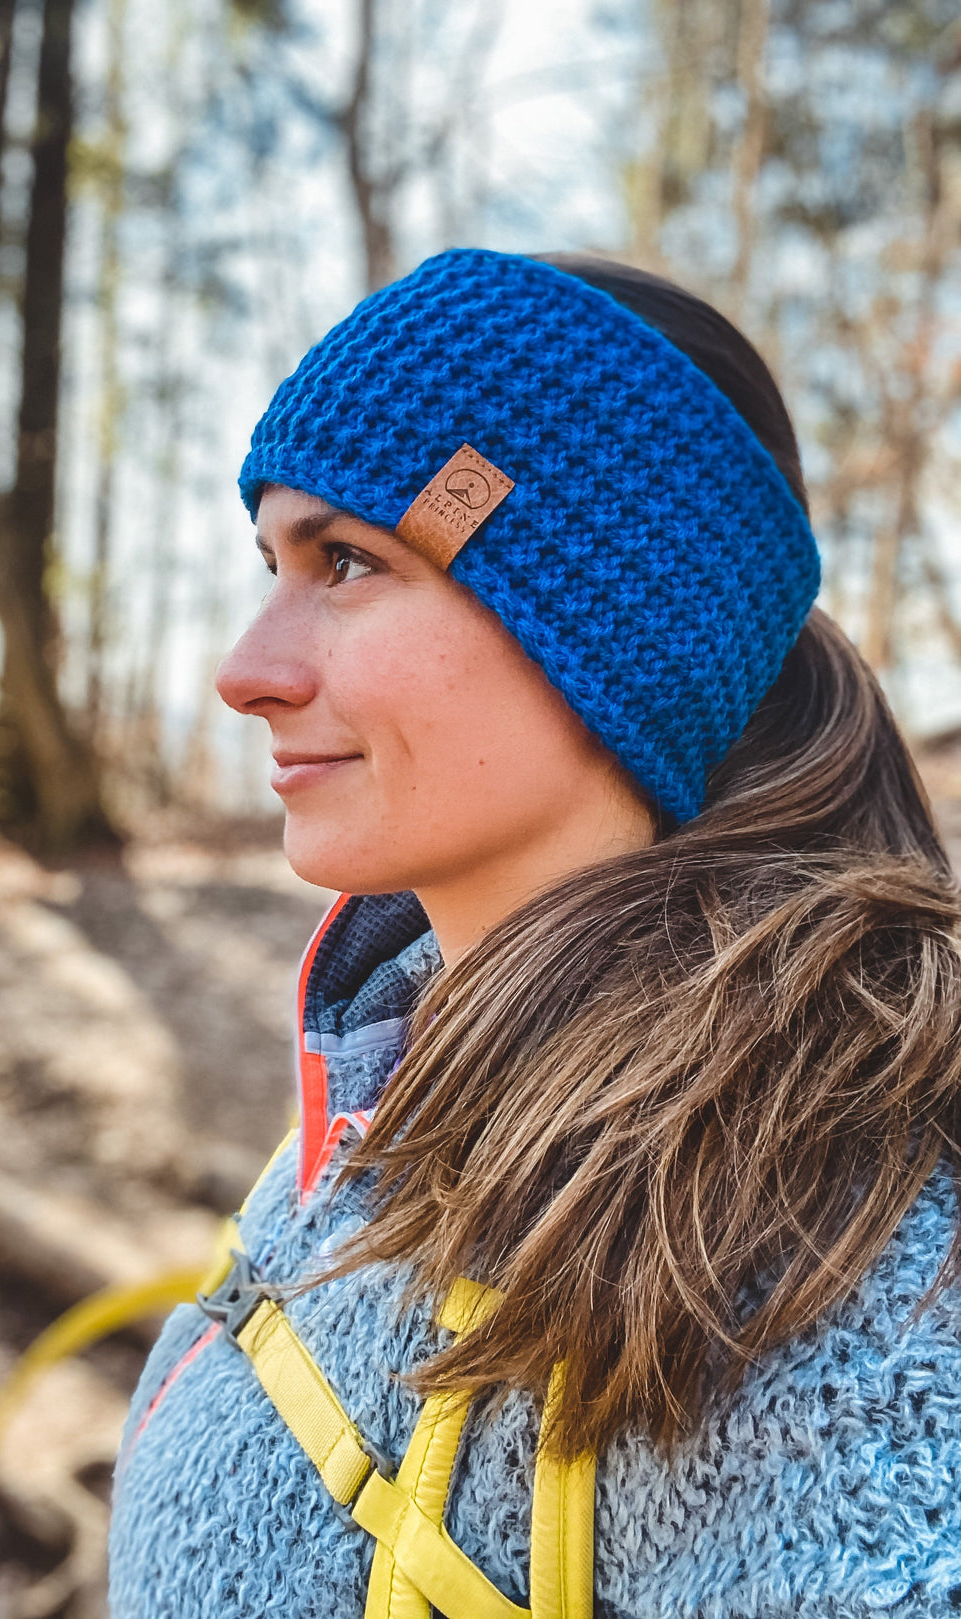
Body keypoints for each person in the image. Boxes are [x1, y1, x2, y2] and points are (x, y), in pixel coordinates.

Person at [108, 248, 961, 1618]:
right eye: (269, 562)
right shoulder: (403, 1030)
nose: (246, 670)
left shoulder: (795, 1265)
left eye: (345, 560)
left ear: (625, 633)